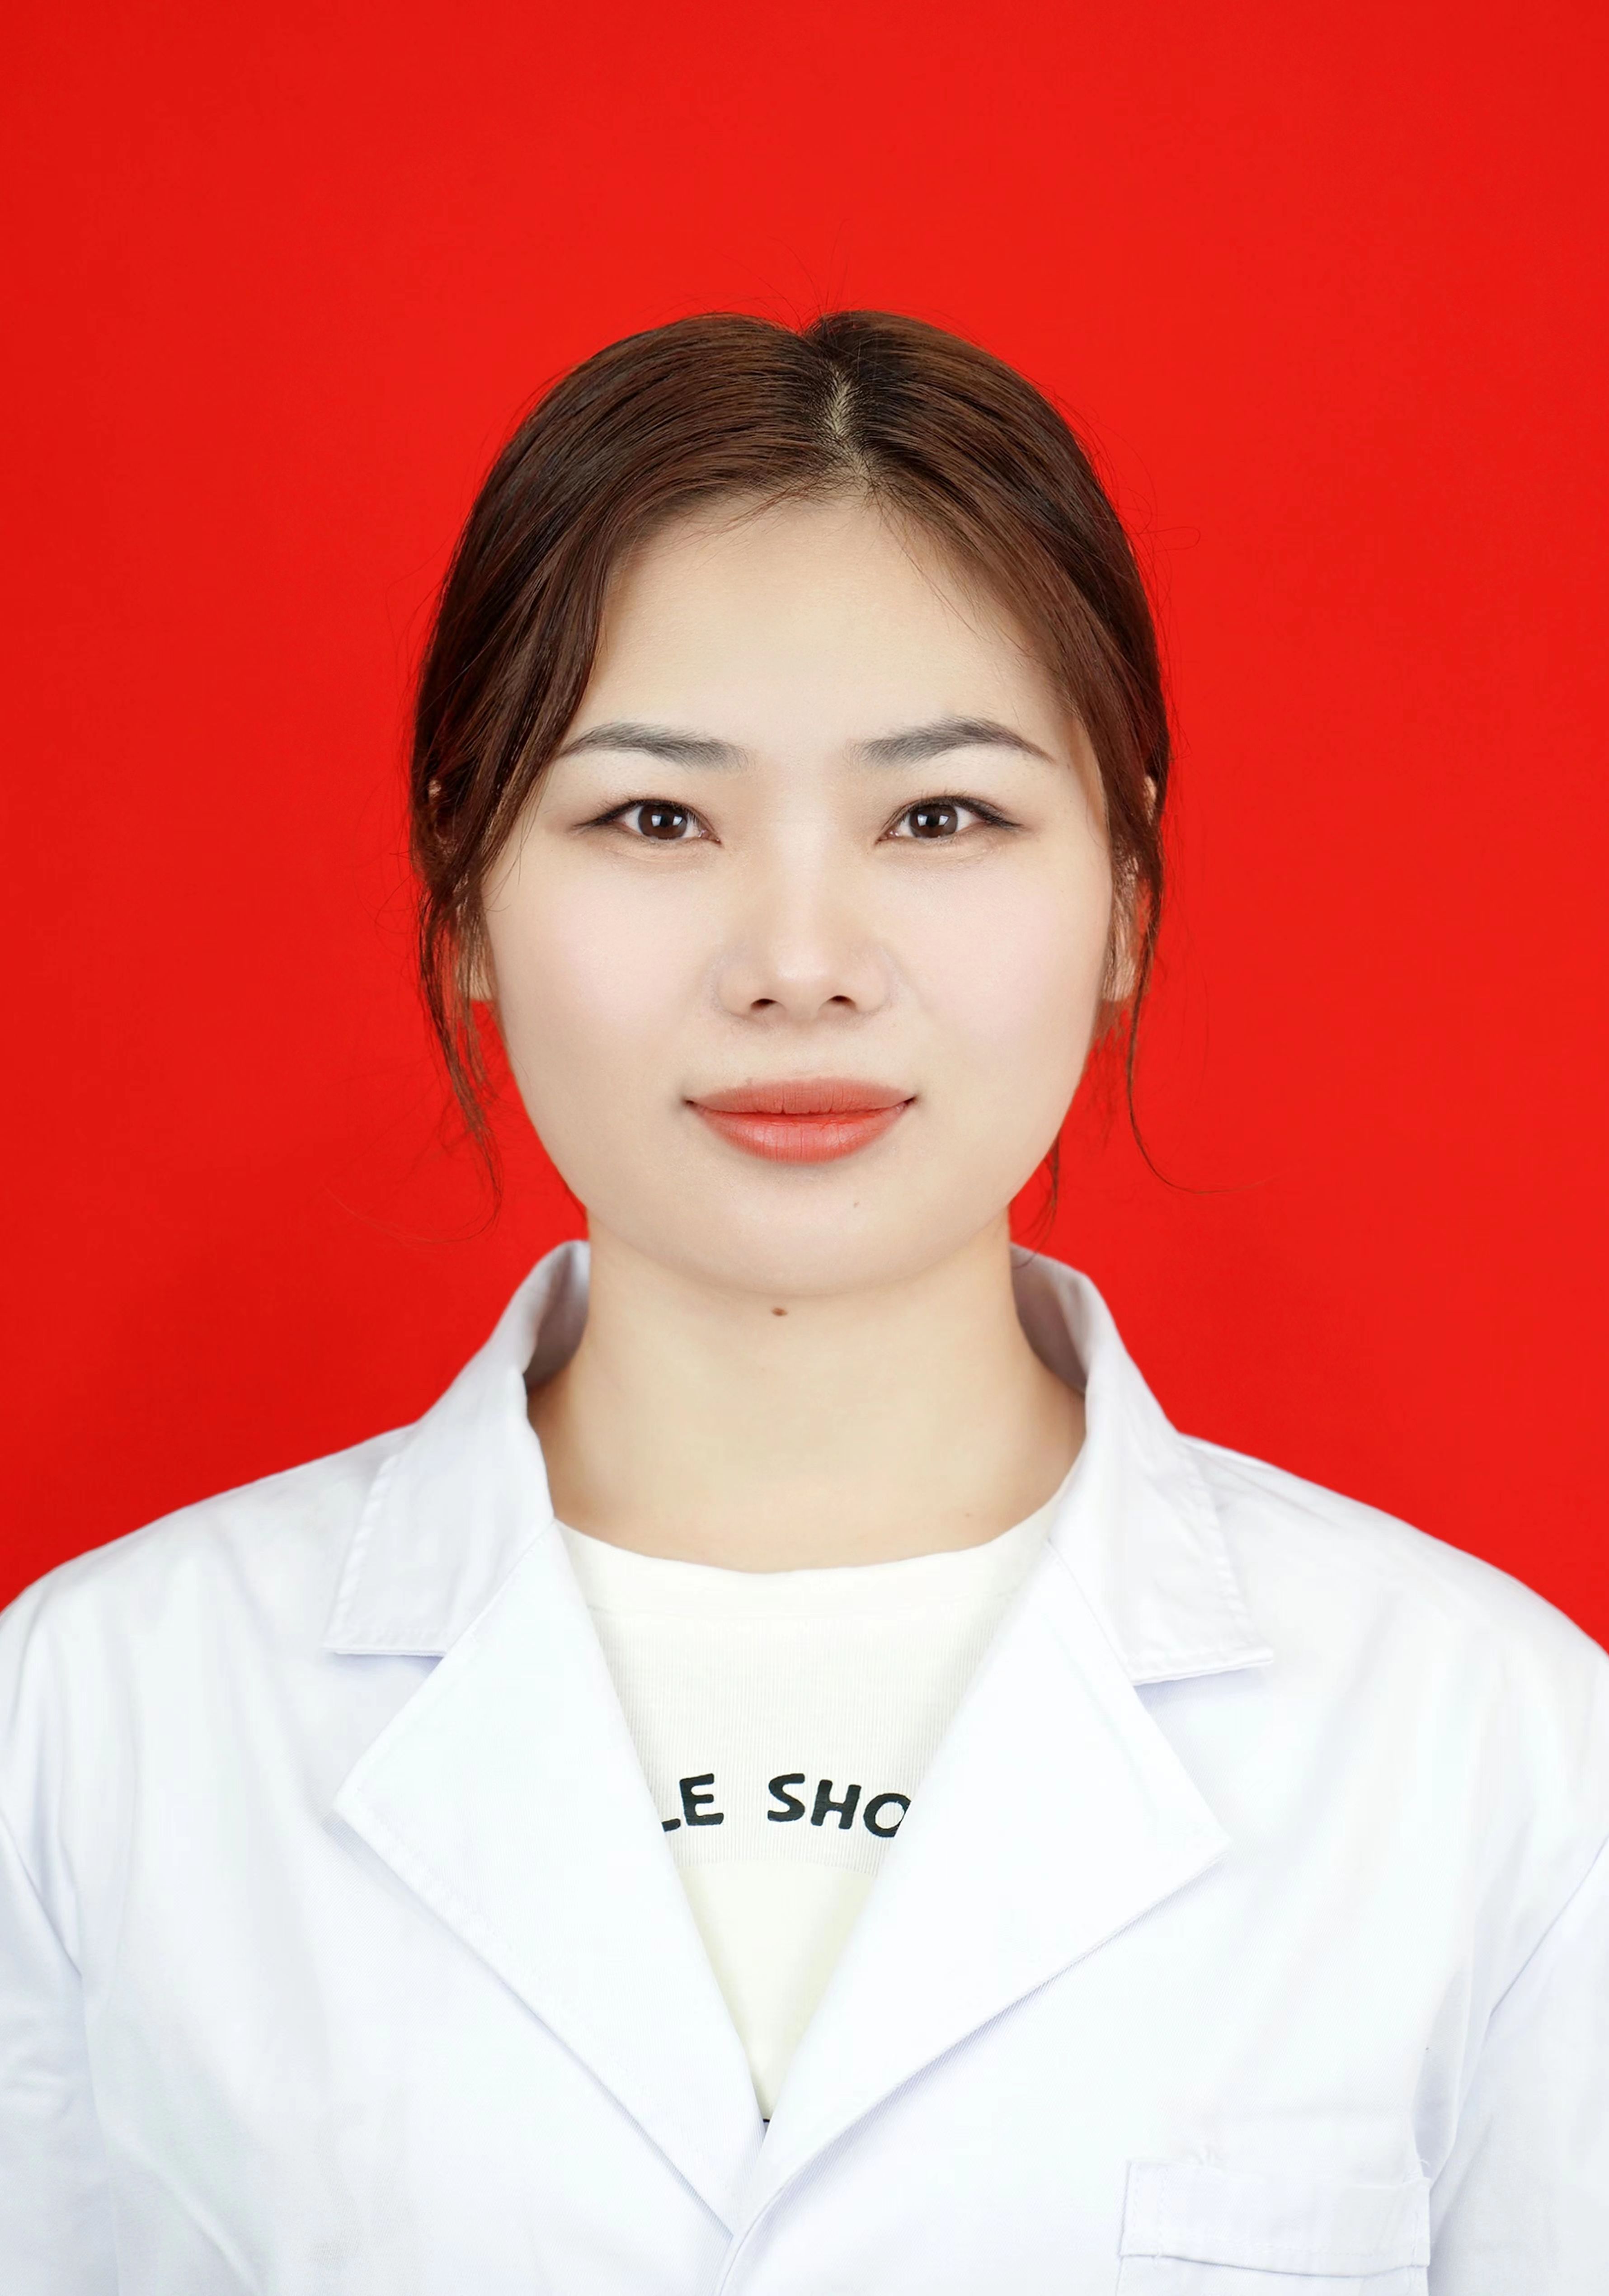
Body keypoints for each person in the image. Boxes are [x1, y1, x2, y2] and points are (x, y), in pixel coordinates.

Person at [1, 311, 1604, 2295]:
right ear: (462, 886)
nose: (797, 959)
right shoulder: (103, 1722)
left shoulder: (1485, 1749)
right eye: (653, 819)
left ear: (1125, 888)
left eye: (940, 818)